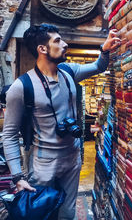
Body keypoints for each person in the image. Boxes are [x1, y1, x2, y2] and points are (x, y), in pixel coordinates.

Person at [1, 24, 120, 219]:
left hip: (72, 159)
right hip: (43, 164)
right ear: (42, 49)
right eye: (57, 41)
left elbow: (98, 66)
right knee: (41, 213)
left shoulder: (69, 72)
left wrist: (104, 49)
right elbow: (10, 133)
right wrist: (18, 177)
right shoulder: (21, 86)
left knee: (67, 212)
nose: (64, 44)